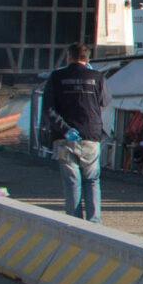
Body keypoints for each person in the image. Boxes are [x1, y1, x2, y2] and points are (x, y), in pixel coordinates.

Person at [40, 41, 109, 221]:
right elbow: (105, 101)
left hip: (65, 137)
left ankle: (75, 221)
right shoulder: (98, 76)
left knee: (72, 181)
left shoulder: (56, 77)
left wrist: (64, 129)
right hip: (91, 136)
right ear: (88, 59)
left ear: (69, 57)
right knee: (92, 180)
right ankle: (94, 222)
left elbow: (48, 108)